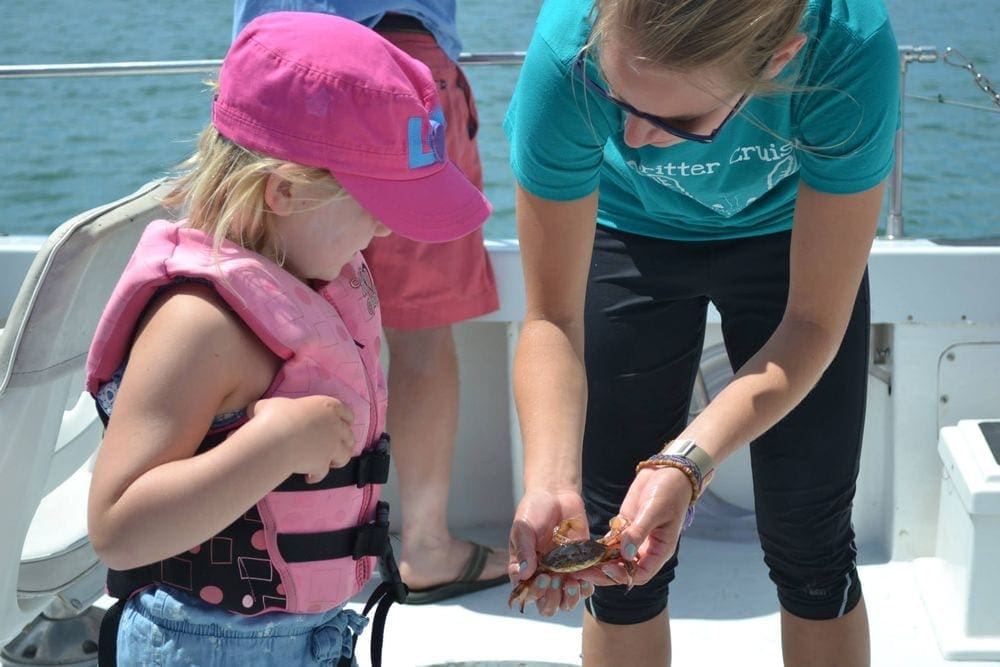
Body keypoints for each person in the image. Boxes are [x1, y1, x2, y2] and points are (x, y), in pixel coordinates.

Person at [85, 12, 490, 666]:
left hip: (315, 633)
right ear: (286, 191)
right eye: (374, 209)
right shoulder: (200, 322)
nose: (385, 234)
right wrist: (272, 445)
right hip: (204, 644)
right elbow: (119, 528)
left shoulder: (308, 278)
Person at [503, 0, 899, 665]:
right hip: (626, 230)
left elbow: (812, 321)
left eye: (676, 119)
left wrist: (687, 459)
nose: (629, 138)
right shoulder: (568, 52)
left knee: (813, 549)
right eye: (615, 96)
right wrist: (547, 479)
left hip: (790, 234)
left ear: (781, 58)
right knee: (613, 553)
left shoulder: (847, 49)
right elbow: (550, 317)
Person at [231, 1, 508, 604]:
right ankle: (427, 544)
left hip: (268, 81)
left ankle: (272, 547)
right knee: (423, 330)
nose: (381, 229)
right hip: (399, 66)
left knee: (265, 320)